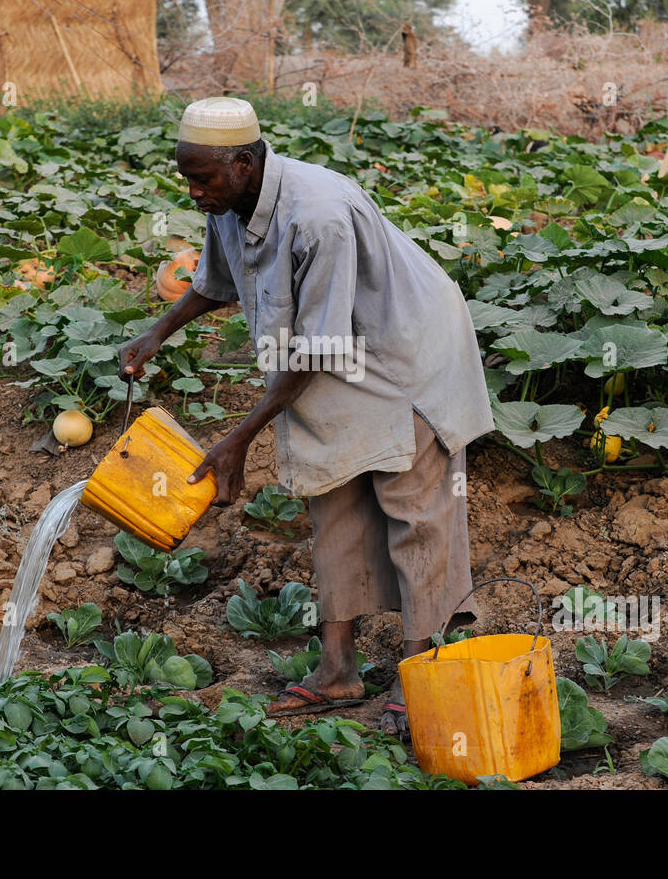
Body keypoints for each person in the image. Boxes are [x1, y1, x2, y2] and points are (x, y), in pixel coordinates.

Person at [118, 96, 493, 736]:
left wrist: (240, 437)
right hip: (332, 353)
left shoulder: (321, 216)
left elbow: (319, 347)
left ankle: (424, 676)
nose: (193, 191)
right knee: (333, 499)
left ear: (243, 162)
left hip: (404, 355)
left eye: (202, 178)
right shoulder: (231, 202)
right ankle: (337, 672)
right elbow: (215, 282)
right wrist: (156, 334)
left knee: (413, 510)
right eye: (187, 177)